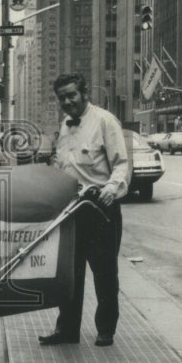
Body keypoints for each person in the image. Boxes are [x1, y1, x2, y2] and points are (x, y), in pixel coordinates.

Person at [40, 72, 128, 348]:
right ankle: (67, 330)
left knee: (104, 274)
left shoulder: (105, 121)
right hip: (71, 209)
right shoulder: (65, 124)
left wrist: (111, 189)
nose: (67, 102)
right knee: (69, 273)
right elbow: (64, 164)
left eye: (71, 95)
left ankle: (106, 330)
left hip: (100, 208)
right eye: (62, 98)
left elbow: (122, 164)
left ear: (84, 93)